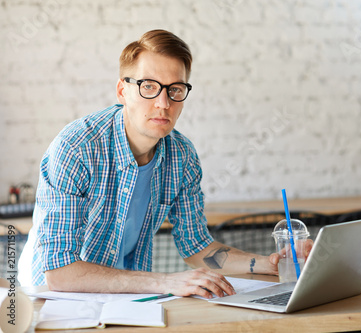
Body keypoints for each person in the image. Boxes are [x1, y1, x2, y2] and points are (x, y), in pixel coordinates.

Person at [19, 29, 312, 298]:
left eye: (175, 89)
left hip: (127, 297)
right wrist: (165, 282)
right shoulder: (76, 148)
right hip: (55, 299)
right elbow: (59, 273)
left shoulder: (181, 156)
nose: (163, 103)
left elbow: (198, 247)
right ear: (123, 91)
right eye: (149, 86)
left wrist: (269, 264)